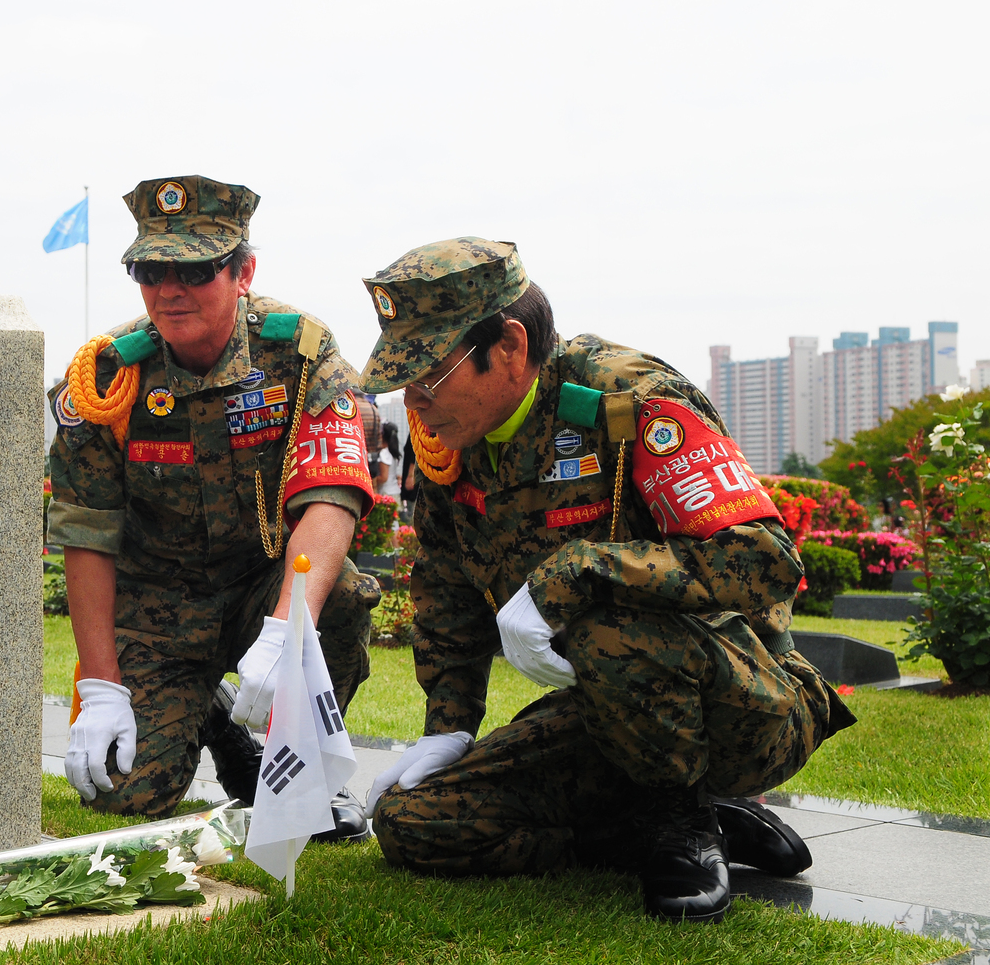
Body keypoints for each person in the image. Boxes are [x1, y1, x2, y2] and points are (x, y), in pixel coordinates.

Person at [355, 238, 855, 922]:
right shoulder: (451, 440)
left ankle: (684, 822)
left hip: (744, 706)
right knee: (411, 821)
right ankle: (654, 824)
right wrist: (448, 727)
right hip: (608, 714)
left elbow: (765, 558)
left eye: (429, 374)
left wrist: (577, 572)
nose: (412, 398)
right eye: (403, 378)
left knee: (606, 627)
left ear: (509, 346)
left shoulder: (628, 398)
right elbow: (445, 589)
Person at [46, 175, 381, 838]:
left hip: (262, 588)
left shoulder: (299, 351)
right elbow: (87, 530)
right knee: (124, 794)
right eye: (150, 271)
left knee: (339, 596)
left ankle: (299, 779)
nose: (169, 290)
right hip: (158, 609)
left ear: (243, 272)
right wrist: (103, 687)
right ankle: (215, 716)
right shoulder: (110, 376)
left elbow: (333, 490)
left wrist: (285, 629)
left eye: (197, 270)